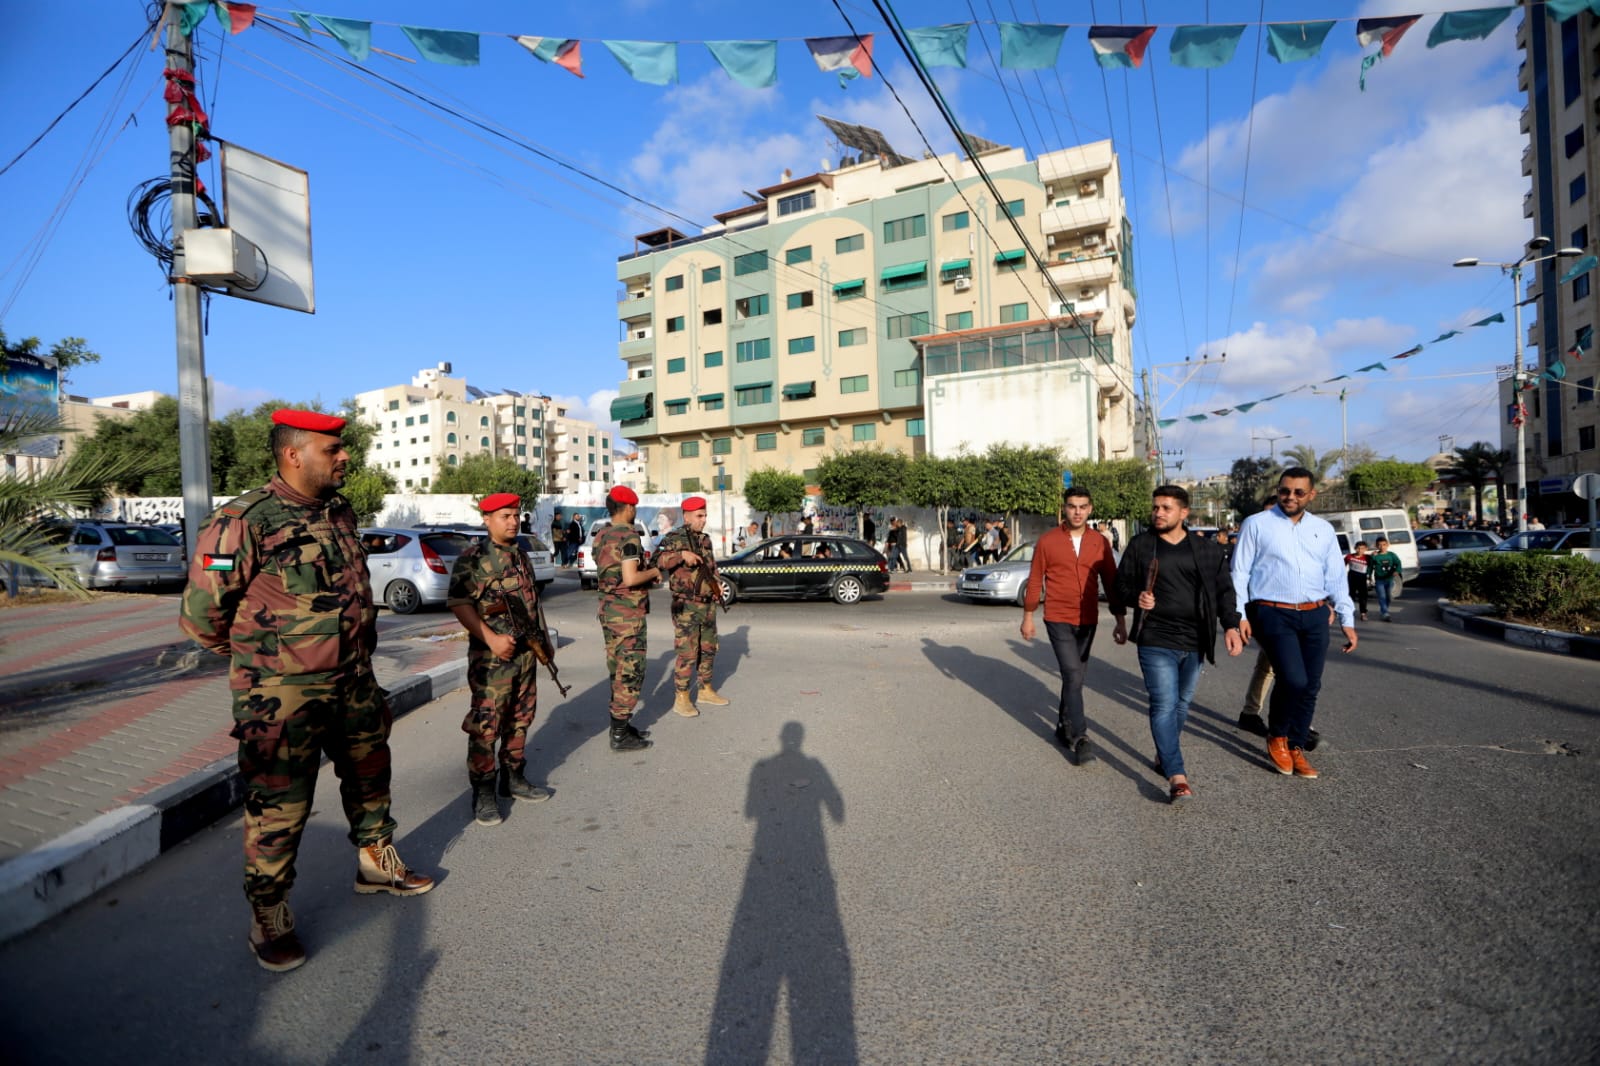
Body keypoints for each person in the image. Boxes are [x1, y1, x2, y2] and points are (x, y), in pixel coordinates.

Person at [179, 409, 433, 974]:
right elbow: (201, 618)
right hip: (282, 696)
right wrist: (268, 663)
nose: (345, 456)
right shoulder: (241, 520)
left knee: (370, 776)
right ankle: (269, 912)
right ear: (293, 454)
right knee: (279, 804)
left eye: (342, 447)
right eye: (332, 449)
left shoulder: (338, 510)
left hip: (354, 678)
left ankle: (376, 863)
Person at [1116, 485, 1244, 802]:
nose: (1158, 513)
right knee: (1164, 703)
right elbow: (1120, 586)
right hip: (1155, 637)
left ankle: (1164, 752)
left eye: (1166, 508)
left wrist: (1231, 624)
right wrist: (1137, 597)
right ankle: (1177, 775)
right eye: (1155, 507)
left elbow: (1224, 590)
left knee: (1182, 704)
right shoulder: (1142, 545)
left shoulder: (1206, 550)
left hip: (1196, 639)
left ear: (1184, 513)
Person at [1231, 467, 1357, 780]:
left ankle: (1296, 745)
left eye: (1299, 492)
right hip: (1272, 611)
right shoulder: (1257, 524)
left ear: (1311, 495)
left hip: (1315, 613)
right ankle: (1277, 735)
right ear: (1278, 490)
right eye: (1285, 491)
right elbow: (1240, 572)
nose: (1290, 497)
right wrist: (1240, 615)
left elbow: (1335, 576)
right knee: (1293, 679)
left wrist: (1347, 618)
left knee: (1311, 684)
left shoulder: (1322, 529)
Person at [448, 492, 550, 828]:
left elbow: (532, 603)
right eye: (505, 516)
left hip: (525, 654)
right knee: (487, 724)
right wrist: (491, 639)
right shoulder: (473, 559)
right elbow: (460, 604)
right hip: (491, 660)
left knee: (521, 717)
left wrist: (544, 642)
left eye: (516, 515)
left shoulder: (521, 555)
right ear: (487, 519)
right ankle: (483, 791)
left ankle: (513, 777)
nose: (513, 521)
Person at [1020, 487, 1126, 766]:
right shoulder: (1048, 541)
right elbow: (1035, 579)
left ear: (1090, 509)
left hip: (1088, 618)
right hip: (1058, 617)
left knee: (1075, 678)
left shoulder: (1100, 542)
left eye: (1082, 506)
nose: (1077, 512)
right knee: (1072, 673)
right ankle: (1080, 737)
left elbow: (1111, 581)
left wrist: (1120, 619)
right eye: (1072, 506)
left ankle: (1063, 725)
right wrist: (1028, 615)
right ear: (1064, 508)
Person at [594, 486, 659, 751]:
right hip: (628, 615)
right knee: (631, 672)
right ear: (630, 508)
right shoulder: (629, 536)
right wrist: (653, 572)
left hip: (608, 611)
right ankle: (619, 734)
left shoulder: (602, 535)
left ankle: (621, 725)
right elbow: (631, 578)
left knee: (617, 669)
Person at [655, 495, 730, 718]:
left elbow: (712, 567)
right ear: (686, 516)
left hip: (707, 604)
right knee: (687, 652)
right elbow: (657, 560)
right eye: (699, 516)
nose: (703, 519)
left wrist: (717, 584)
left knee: (708, 648)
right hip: (686, 604)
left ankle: (705, 689)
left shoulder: (705, 540)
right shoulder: (674, 537)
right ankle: (682, 697)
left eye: (705, 515)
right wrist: (680, 555)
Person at [1368, 537, 1402, 622]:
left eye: (1384, 545)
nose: (1382, 547)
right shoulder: (1375, 556)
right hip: (1379, 580)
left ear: (1387, 545)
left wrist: (1397, 571)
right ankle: (1385, 613)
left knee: (1389, 597)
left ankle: (1384, 610)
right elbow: (1370, 567)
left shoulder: (1391, 555)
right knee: (1382, 597)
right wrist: (1369, 576)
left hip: (1389, 579)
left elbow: (1398, 563)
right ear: (1376, 546)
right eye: (1379, 545)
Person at [1344, 540, 1372, 622]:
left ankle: (1363, 613)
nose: (1360, 550)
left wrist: (1370, 577)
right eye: (1358, 548)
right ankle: (1349, 612)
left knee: (1363, 597)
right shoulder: (1349, 556)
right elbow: (1342, 566)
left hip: (1362, 580)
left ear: (1366, 549)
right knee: (1350, 596)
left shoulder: (1368, 558)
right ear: (1355, 548)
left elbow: (1372, 567)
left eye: (1362, 548)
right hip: (1351, 579)